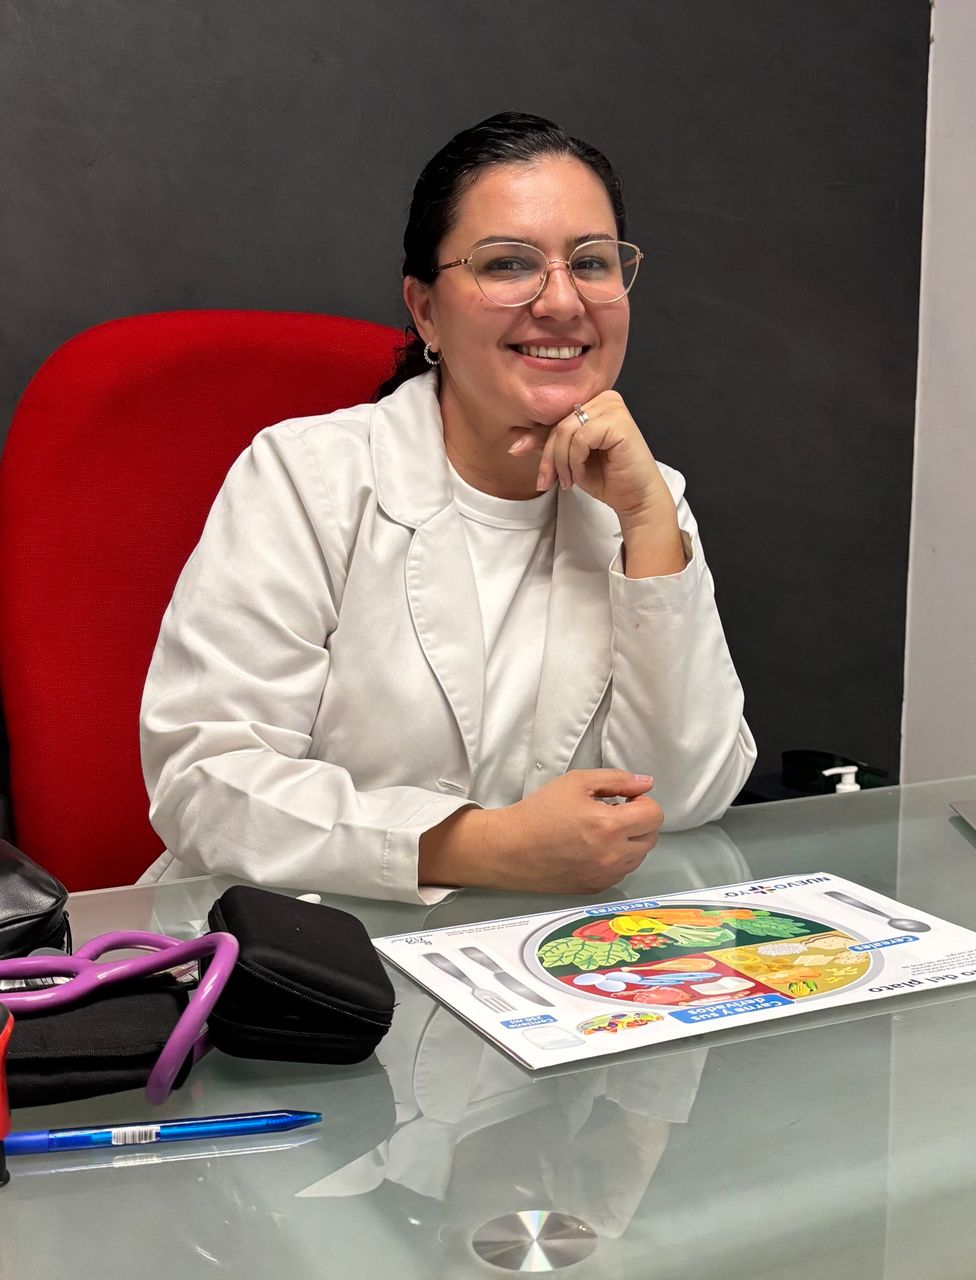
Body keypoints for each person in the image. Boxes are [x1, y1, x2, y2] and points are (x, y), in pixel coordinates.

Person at [139, 111, 756, 904]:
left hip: (533, 951)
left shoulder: (648, 498)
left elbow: (687, 796)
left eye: (591, 263)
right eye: (508, 264)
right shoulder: (307, 477)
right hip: (298, 944)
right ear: (426, 310)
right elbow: (206, 782)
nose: (562, 301)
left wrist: (646, 526)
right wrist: (482, 847)